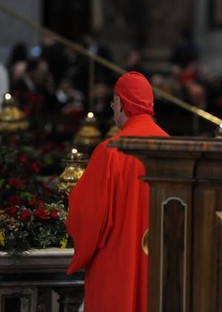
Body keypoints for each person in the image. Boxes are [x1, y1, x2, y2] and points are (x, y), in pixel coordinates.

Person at [66, 71, 168, 312]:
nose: (113, 110)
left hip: (117, 263)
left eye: (114, 103)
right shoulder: (173, 148)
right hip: (161, 266)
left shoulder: (110, 151)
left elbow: (86, 215)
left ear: (121, 104)